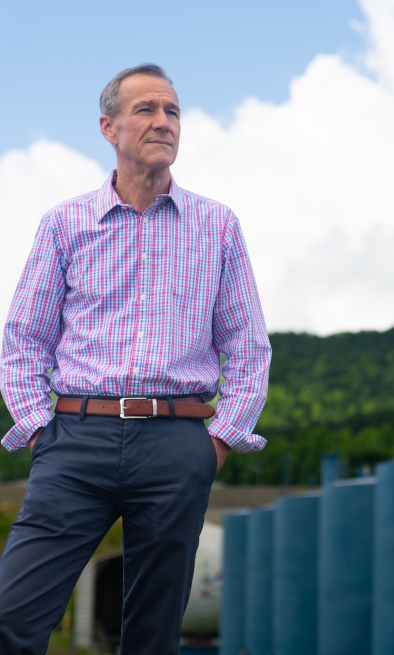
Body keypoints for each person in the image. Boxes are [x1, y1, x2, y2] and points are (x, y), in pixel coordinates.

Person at [0, 63, 271, 653]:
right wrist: (40, 433)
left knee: (152, 637)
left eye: (172, 111)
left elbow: (248, 346)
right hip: (75, 440)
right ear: (109, 127)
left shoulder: (218, 225)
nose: (163, 122)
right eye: (147, 109)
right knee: (11, 617)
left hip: (178, 444)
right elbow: (23, 340)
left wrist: (217, 442)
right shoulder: (64, 224)